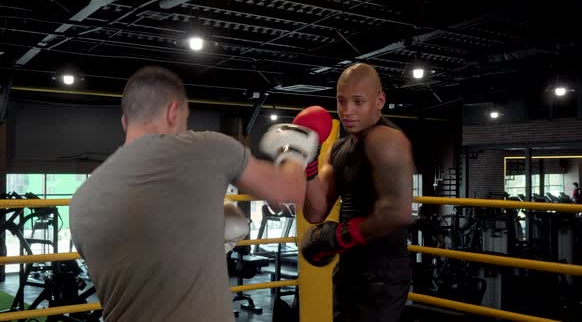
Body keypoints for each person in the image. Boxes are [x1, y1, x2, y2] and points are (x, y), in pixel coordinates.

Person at [69, 66, 318, 321]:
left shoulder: (81, 202)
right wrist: (294, 149)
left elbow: (138, 268)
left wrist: (201, 237)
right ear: (173, 111)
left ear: (125, 121)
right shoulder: (207, 147)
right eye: (185, 120)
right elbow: (288, 192)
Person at [299, 63, 415, 322]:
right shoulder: (338, 149)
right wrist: (307, 163)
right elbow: (316, 212)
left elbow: (398, 212)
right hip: (349, 267)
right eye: (341, 101)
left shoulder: (387, 140)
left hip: (382, 275)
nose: (347, 111)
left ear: (379, 101)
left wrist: (340, 236)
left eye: (358, 102)